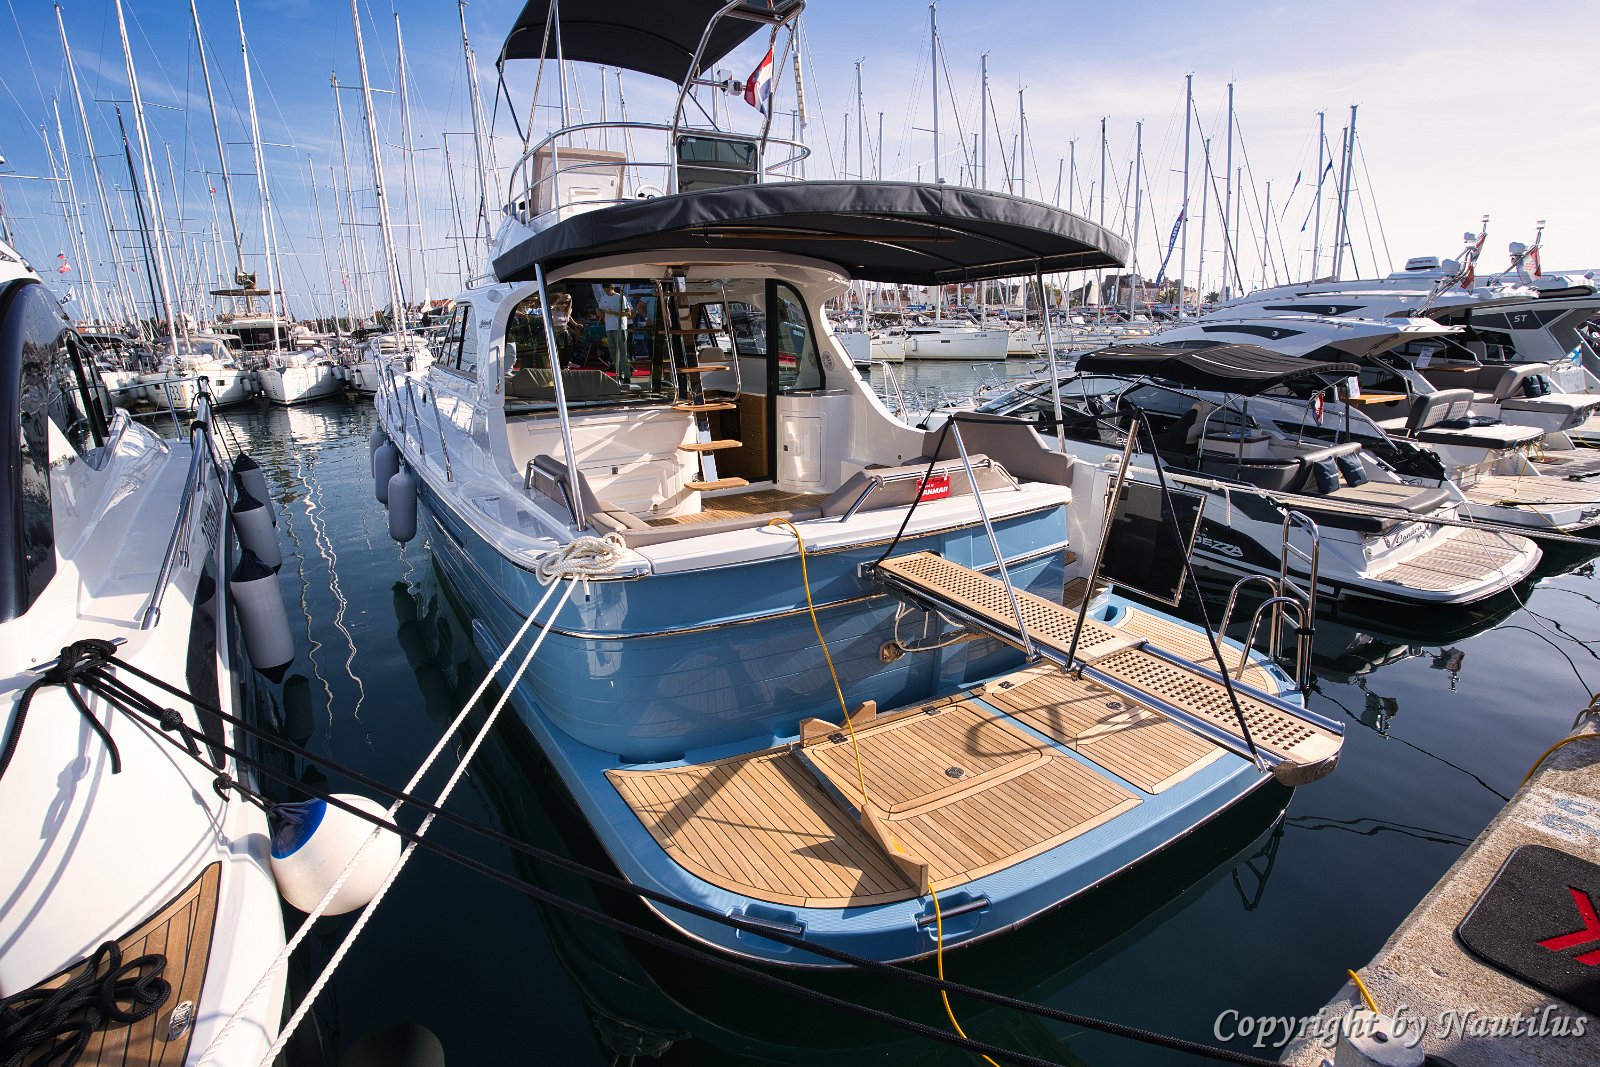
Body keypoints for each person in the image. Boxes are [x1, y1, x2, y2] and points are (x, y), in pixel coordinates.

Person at [600, 284, 629, 378]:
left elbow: (628, 313)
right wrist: (599, 312)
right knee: (613, 352)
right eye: (605, 290)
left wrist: (613, 313)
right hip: (609, 327)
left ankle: (627, 374)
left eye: (608, 290)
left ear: (612, 288)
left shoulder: (620, 297)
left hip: (620, 327)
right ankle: (619, 373)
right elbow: (602, 311)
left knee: (623, 352)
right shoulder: (603, 297)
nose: (606, 292)